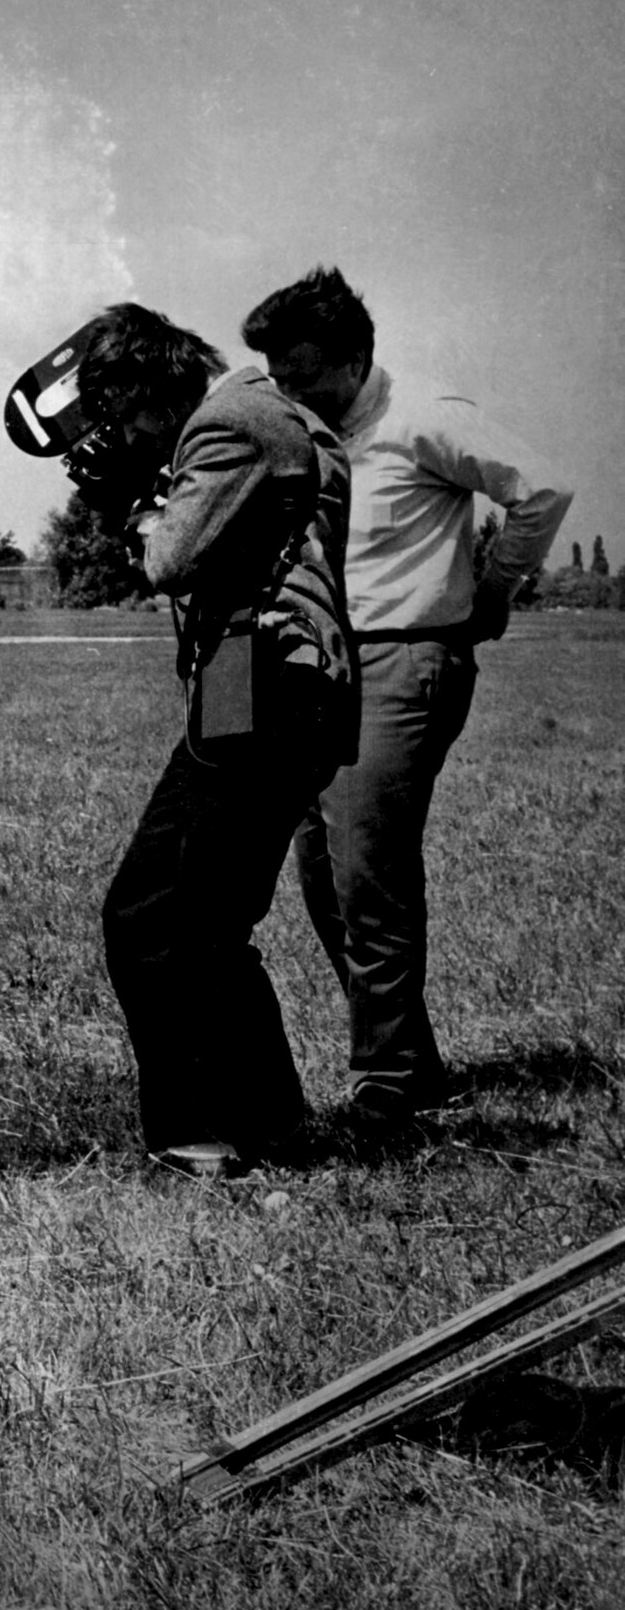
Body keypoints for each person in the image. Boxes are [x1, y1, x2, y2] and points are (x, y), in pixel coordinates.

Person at [242, 267, 574, 1129]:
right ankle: (411, 1060)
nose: (290, 390)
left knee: (367, 872)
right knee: (320, 870)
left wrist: (492, 590)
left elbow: (540, 489)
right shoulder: (308, 432)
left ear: (355, 358)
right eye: (277, 375)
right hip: (326, 667)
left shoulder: (424, 415)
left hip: (406, 662)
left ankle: (385, 1085)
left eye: (305, 370)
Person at [85, 302, 357, 1180]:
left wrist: (132, 504)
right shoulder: (259, 410)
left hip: (266, 683)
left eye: (121, 410)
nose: (121, 429)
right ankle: (274, 1124)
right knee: (209, 920)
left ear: (152, 388)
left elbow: (167, 558)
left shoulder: (226, 422)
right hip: (285, 687)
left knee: (150, 915)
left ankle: (196, 1132)